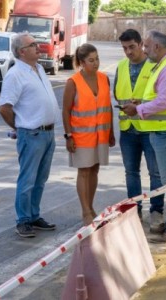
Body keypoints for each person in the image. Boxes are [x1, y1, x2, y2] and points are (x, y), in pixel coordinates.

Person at [122, 30, 166, 243]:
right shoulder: (163, 65)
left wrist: (138, 110)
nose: (144, 49)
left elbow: (163, 102)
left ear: (158, 47)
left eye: (147, 46)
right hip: (165, 131)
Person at [0, 33, 60, 238]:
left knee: (41, 178)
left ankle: (34, 215)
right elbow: (5, 108)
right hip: (31, 134)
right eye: (33, 44)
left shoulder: (39, 68)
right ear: (21, 52)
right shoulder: (15, 74)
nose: (38, 47)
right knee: (27, 179)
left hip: (48, 133)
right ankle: (23, 220)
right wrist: (21, 127)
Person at [114, 29, 165, 229]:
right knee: (131, 173)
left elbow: (161, 98)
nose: (128, 52)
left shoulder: (154, 66)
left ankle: (156, 213)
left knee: (156, 173)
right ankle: (134, 211)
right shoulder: (121, 66)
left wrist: (140, 105)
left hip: (150, 129)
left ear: (141, 44)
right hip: (128, 129)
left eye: (132, 47)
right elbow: (117, 94)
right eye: (125, 48)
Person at [62, 43, 115, 226]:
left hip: (100, 135)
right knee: (83, 171)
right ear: (82, 62)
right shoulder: (73, 82)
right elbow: (65, 111)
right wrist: (68, 136)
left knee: (94, 169)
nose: (96, 63)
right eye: (91, 60)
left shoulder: (104, 79)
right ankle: (85, 211)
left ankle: (91, 207)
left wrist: (111, 133)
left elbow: (108, 107)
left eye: (97, 59)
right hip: (81, 136)